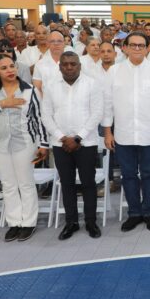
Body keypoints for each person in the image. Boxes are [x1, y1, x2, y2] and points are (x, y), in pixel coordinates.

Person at [0, 55, 49, 242]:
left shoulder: (30, 90)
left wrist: (44, 144)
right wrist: (2, 104)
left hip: (25, 143)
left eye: (12, 66)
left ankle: (28, 223)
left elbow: (40, 118)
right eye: (4, 68)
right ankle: (14, 222)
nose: (10, 70)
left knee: (26, 183)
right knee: (8, 184)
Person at [103, 33, 150, 232]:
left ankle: (149, 212)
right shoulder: (114, 71)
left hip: (149, 132)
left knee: (149, 174)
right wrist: (107, 132)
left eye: (141, 45)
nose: (137, 48)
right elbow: (107, 104)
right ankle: (134, 213)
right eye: (132, 45)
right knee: (128, 175)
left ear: (148, 48)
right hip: (123, 133)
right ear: (124, 48)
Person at [42, 52, 103, 240]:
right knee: (67, 184)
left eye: (73, 64)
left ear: (79, 66)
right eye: (65, 64)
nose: (69, 67)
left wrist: (78, 138)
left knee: (88, 183)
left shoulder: (92, 84)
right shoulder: (50, 86)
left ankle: (91, 222)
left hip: (86, 142)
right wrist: (62, 137)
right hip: (60, 144)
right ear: (59, 66)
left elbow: (97, 113)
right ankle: (71, 222)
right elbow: (46, 115)